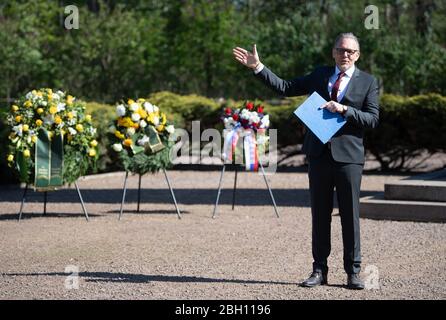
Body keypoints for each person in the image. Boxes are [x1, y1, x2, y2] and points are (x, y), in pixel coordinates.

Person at [233, 33, 379, 289]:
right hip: (319, 155)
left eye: (350, 51)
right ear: (333, 52)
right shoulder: (320, 75)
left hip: (349, 159)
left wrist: (345, 109)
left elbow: (372, 119)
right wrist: (257, 67)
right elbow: (286, 88)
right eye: (340, 50)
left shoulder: (368, 82)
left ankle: (353, 272)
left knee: (350, 215)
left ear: (357, 55)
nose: (345, 54)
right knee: (320, 215)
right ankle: (319, 270)